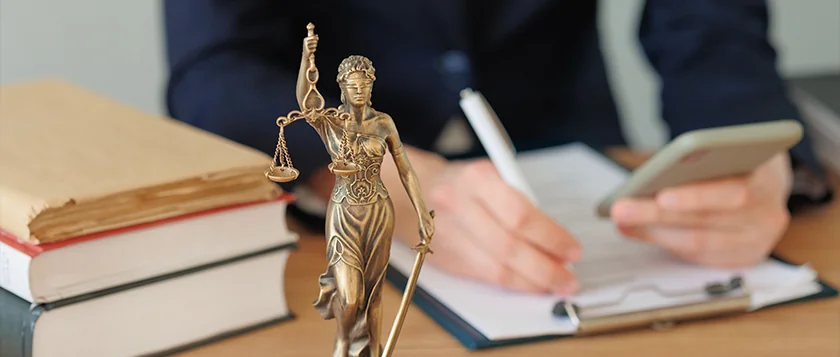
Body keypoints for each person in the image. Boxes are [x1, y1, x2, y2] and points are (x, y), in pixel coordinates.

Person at [162, 0, 833, 297]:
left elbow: (710, 21)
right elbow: (216, 71)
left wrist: (750, 150)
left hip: (572, 156)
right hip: (324, 213)